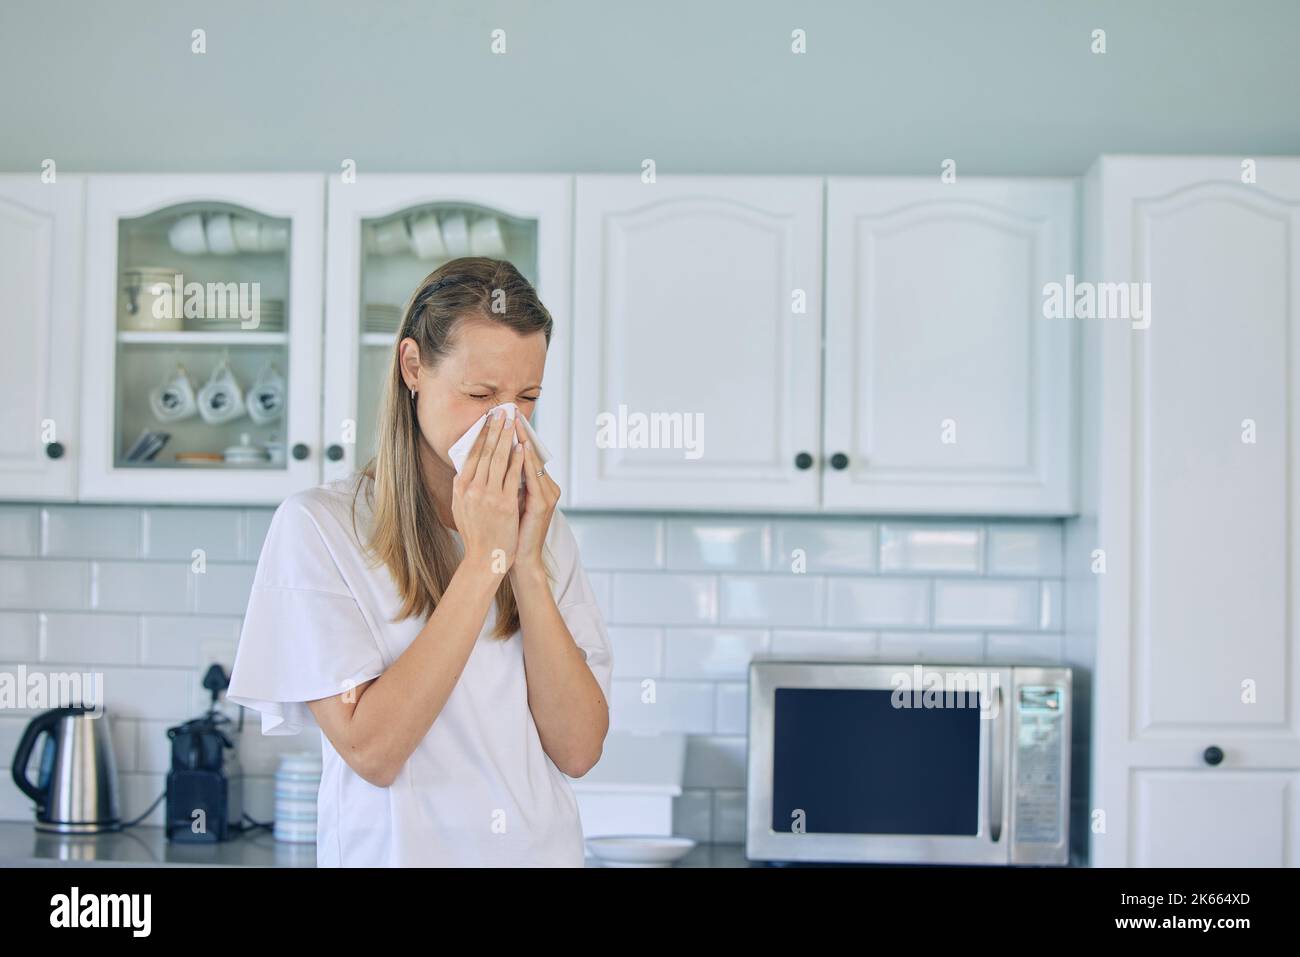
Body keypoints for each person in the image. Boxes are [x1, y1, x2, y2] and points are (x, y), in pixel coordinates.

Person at [226, 257, 613, 866]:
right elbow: (373, 751)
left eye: (527, 397)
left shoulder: (544, 529)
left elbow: (578, 750)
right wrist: (485, 558)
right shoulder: (318, 528)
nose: (505, 422)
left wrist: (527, 565)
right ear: (413, 367)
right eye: (481, 394)